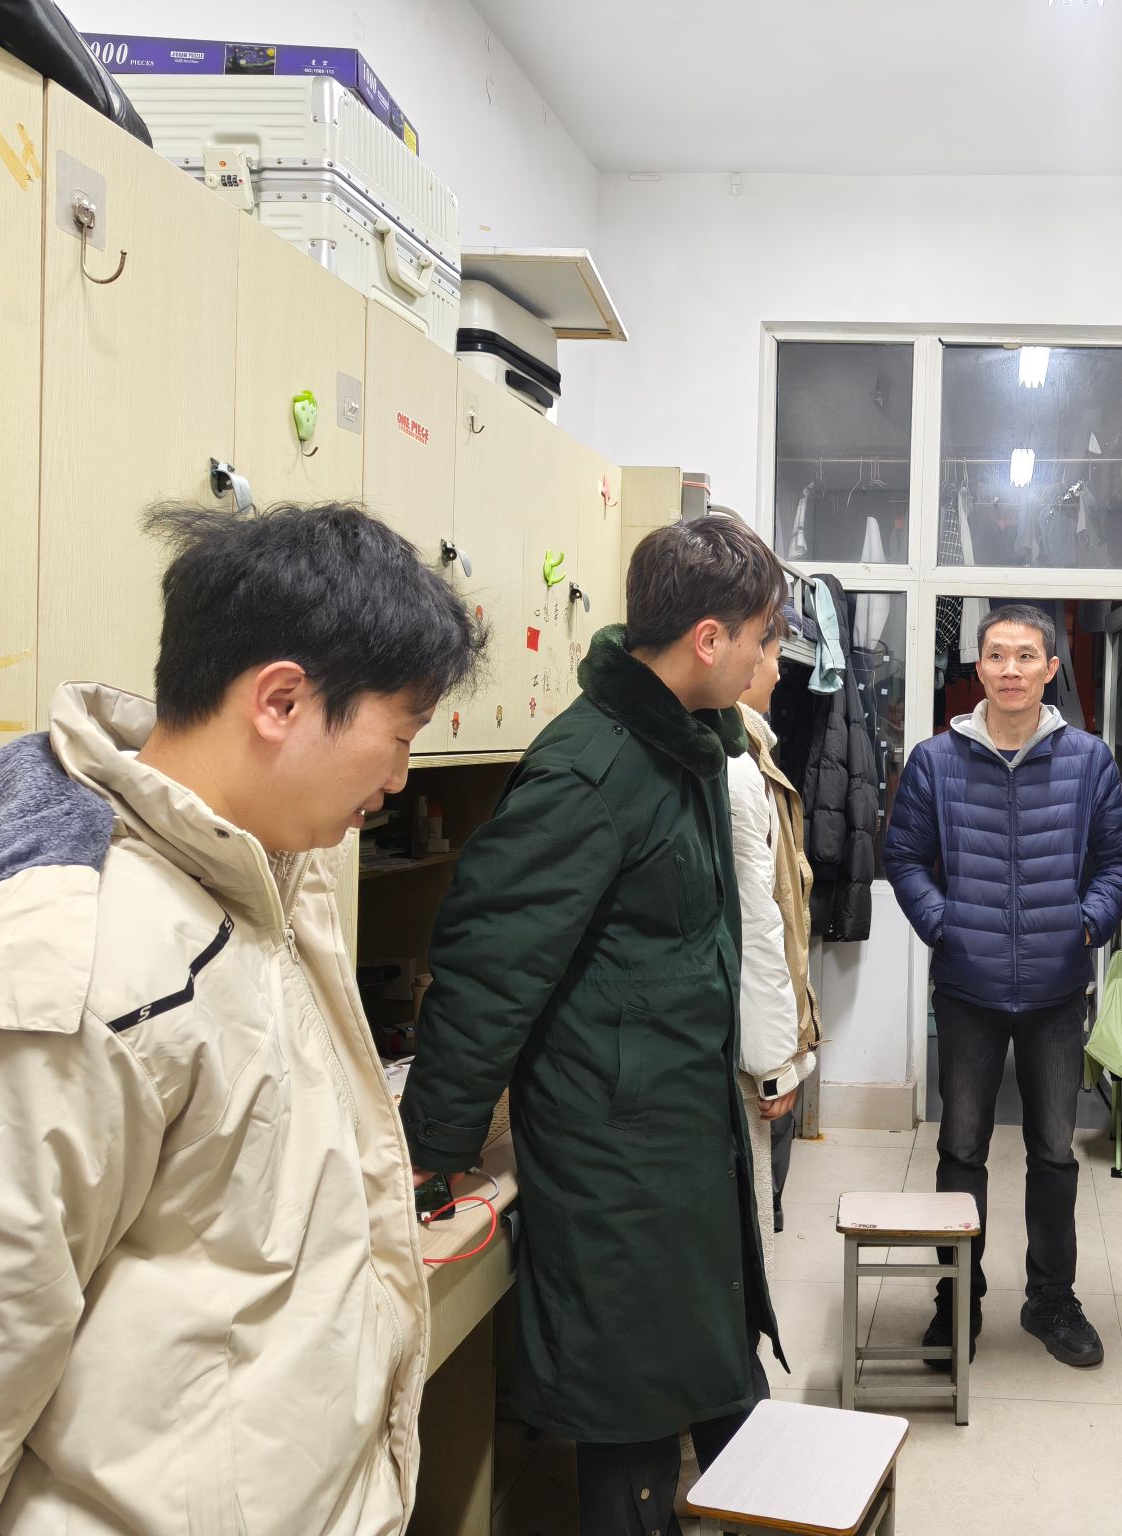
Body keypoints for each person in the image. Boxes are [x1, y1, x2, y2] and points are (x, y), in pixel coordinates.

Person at [0, 503, 482, 1535]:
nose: (399, 779)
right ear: (281, 701)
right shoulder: (57, 966)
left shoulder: (257, 873)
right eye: (399, 737)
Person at [399, 515, 788, 1536]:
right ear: (708, 639)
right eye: (761, 637)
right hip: (616, 1154)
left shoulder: (683, 748)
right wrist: (433, 1149)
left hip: (676, 1131)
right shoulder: (590, 770)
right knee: (631, 1413)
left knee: (703, 1371)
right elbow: (489, 964)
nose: (767, 659)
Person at [884, 603, 1122, 1369]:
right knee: (960, 1148)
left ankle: (1051, 1300)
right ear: (979, 667)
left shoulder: (1087, 760)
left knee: (1054, 1152)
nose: (1010, 669)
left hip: (1056, 991)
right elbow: (904, 857)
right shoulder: (936, 760)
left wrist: (1086, 925)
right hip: (967, 987)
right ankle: (955, 1301)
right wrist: (944, 924)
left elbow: (1120, 858)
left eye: (1026, 656)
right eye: (997, 655)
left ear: (1050, 668)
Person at [729, 604, 821, 1251]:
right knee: (750, 1221)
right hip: (747, 1045)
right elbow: (758, 919)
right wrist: (775, 1063)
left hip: (750, 1033)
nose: (780, 673)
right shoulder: (738, 765)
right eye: (772, 656)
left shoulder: (753, 750)